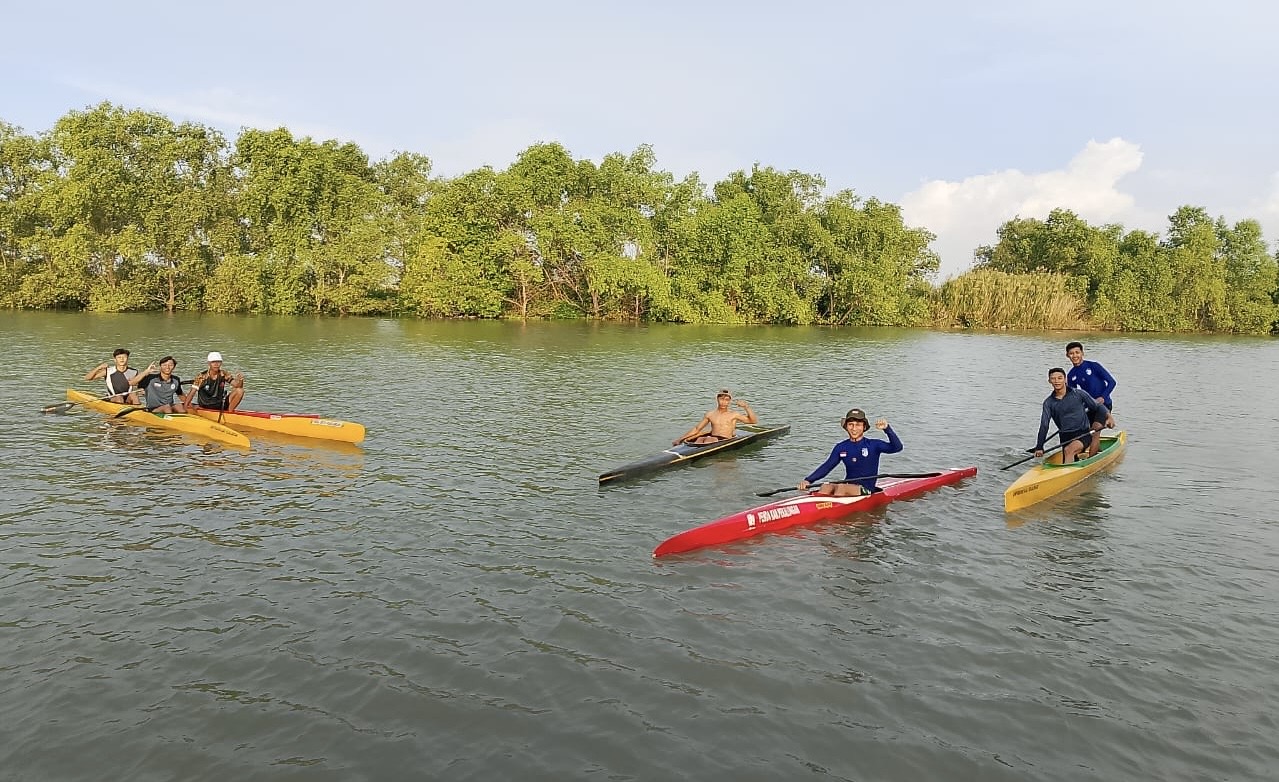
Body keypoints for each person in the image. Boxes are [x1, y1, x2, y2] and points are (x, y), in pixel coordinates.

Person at [798, 408, 903, 496]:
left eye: (858, 425)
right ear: (846, 427)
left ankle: (832, 512)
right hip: (847, 485)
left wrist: (887, 429)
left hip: (867, 489)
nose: (854, 429)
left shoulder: (874, 445)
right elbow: (827, 466)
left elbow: (897, 447)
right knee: (825, 486)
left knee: (842, 489)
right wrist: (808, 480)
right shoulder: (841, 447)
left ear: (864, 427)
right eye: (851, 425)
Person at [1034, 367, 1108, 463]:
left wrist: (1108, 417)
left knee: (1069, 450)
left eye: (1060, 378)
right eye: (1053, 378)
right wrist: (1039, 446)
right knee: (1069, 453)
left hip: (1083, 434)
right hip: (1065, 437)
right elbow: (1044, 425)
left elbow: (1097, 406)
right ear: (1049, 381)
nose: (1056, 381)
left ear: (1065, 379)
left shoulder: (1079, 394)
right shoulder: (1048, 403)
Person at [1065, 341, 1117, 455]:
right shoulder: (1071, 375)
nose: (1075, 356)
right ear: (1067, 355)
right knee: (1083, 433)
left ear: (1082, 353)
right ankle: (1095, 451)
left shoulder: (1094, 366)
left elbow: (1112, 382)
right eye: (1071, 353)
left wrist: (1103, 397)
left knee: (1095, 430)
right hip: (1088, 408)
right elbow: (1074, 397)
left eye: (1077, 352)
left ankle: (1090, 461)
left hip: (1103, 405)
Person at [673, 389, 757, 445]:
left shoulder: (734, 414)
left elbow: (752, 421)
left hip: (724, 439)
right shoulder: (710, 414)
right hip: (712, 437)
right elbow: (697, 429)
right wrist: (680, 439)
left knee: (708, 440)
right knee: (700, 439)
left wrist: (746, 407)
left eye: (726, 400)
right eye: (721, 399)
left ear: (729, 401)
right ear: (717, 399)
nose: (724, 402)